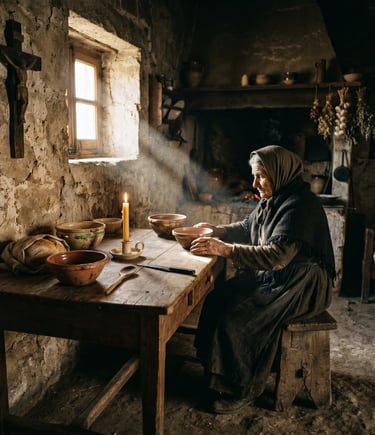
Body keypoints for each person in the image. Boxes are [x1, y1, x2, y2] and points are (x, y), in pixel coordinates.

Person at [190, 144, 335, 414]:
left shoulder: (300, 205)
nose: (255, 183)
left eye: (261, 176)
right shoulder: (274, 198)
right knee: (219, 298)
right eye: (254, 175)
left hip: (304, 283)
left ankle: (242, 389)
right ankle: (217, 376)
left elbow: (278, 256)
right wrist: (218, 230)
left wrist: (225, 250)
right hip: (281, 274)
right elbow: (248, 228)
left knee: (240, 316)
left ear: (280, 173)